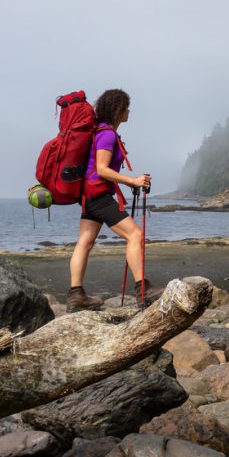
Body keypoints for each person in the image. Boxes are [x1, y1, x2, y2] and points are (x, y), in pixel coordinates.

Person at [66, 89, 160, 311]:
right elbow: (101, 169)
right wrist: (132, 181)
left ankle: (75, 295)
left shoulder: (100, 132)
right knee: (135, 235)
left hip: (88, 195)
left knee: (85, 242)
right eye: (126, 106)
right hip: (98, 195)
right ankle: (142, 290)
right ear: (118, 109)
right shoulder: (106, 134)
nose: (129, 111)